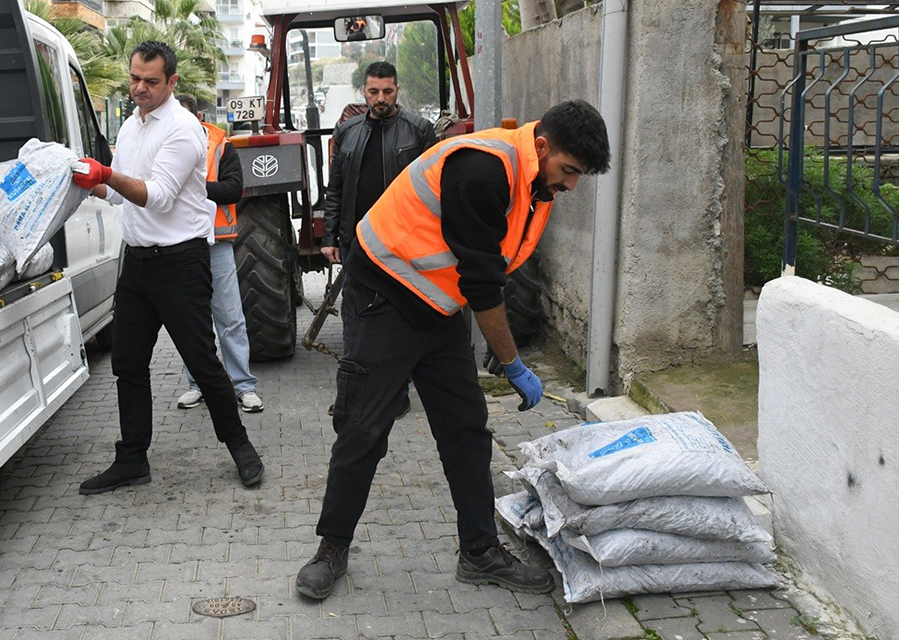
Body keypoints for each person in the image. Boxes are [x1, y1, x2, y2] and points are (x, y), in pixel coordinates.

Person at [294, 100, 612, 600]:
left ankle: (480, 552)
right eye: (569, 171)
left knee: (466, 431)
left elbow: (486, 268)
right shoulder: (483, 169)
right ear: (544, 146)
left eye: (579, 176)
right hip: (383, 299)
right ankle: (331, 549)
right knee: (363, 429)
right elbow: (484, 285)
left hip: (438, 308)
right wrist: (512, 363)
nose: (571, 185)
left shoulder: (532, 177)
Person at [71, 41, 264, 495]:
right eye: (134, 78)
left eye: (150, 81)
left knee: (202, 360)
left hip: (181, 262)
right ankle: (132, 460)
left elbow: (155, 196)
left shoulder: (182, 129)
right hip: (137, 263)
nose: (139, 88)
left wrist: (104, 174)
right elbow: (119, 195)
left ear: (171, 82)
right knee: (128, 364)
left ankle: (240, 446)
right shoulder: (132, 127)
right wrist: (85, 181)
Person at [320, 61, 436, 417]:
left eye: (387, 91)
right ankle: (349, 399)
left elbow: (434, 189)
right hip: (359, 245)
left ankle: (395, 396)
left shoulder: (419, 130)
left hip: (404, 246)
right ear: (364, 92)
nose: (380, 98)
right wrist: (330, 237)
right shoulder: (347, 132)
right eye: (374, 91)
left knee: (398, 323)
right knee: (355, 324)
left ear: (397, 89)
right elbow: (335, 189)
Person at [173, 94, 263, 414]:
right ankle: (197, 385)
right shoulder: (163, 145)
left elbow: (234, 189)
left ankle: (243, 387)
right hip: (180, 245)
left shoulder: (221, 145)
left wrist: (193, 187)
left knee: (230, 319)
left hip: (217, 245)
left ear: (197, 116)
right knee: (190, 322)